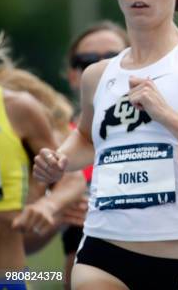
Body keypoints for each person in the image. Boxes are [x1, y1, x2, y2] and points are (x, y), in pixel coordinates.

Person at [34, 0, 178, 290]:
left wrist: (164, 113)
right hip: (103, 252)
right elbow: (87, 141)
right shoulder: (97, 75)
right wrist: (59, 159)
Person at [61, 21, 129, 289]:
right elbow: (15, 233)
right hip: (70, 273)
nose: (101, 68)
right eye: (87, 61)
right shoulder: (47, 134)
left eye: (113, 58)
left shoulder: (159, 124)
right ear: (72, 75)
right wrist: (53, 209)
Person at [0, 34, 61, 286]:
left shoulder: (18, 107)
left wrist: (46, 203)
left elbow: (70, 177)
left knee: (62, 278)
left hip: (6, 277)